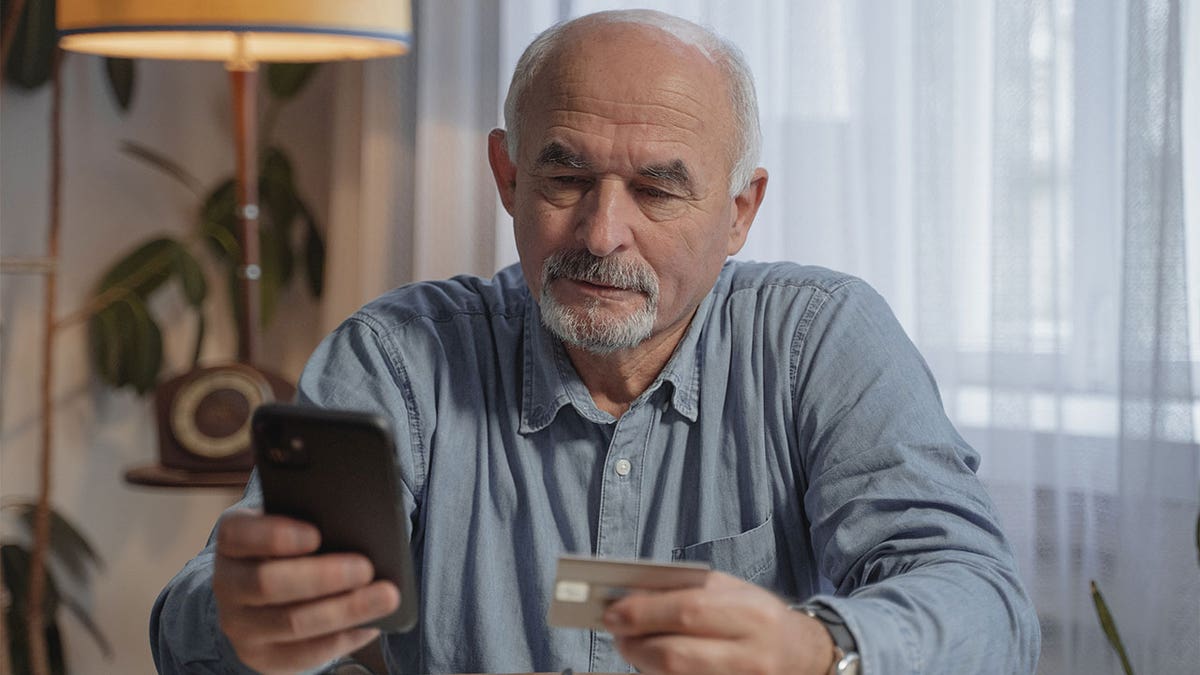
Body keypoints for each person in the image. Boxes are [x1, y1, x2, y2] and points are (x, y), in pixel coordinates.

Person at [151, 9, 1040, 675]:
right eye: (566, 174)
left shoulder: (819, 340)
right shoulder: (400, 359)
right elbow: (190, 615)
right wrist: (239, 617)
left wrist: (821, 648)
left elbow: (983, 600)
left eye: (658, 190)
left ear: (739, 212)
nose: (602, 231)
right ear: (506, 175)